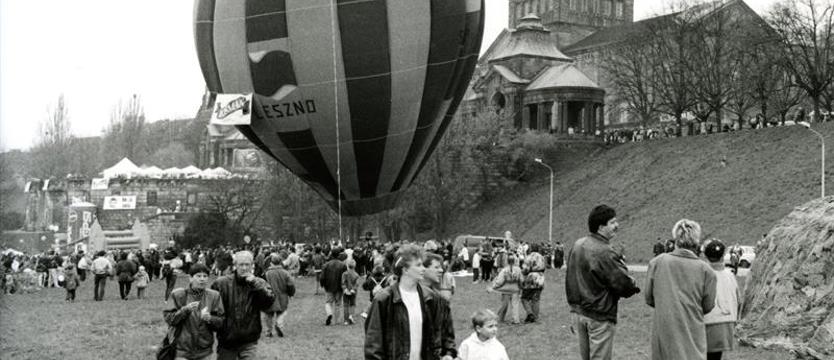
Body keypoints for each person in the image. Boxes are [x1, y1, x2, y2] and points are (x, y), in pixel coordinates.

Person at [565, 205, 641, 360]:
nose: (617, 225)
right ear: (601, 227)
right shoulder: (604, 251)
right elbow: (623, 284)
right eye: (612, 222)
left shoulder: (578, 244)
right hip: (598, 316)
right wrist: (632, 282)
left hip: (578, 313)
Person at [364, 244, 456, 360]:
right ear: (405, 269)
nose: (423, 269)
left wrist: (448, 354)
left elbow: (446, 334)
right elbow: (373, 344)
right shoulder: (383, 300)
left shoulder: (431, 298)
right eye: (418, 265)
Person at [645, 219, 717, 360]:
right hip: (693, 333)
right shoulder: (706, 271)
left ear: (675, 238)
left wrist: (667, 304)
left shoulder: (658, 262)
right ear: (696, 241)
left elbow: (649, 298)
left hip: (665, 333)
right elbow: (708, 306)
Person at [211, 251, 275, 359]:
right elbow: (212, 309)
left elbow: (268, 303)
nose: (244, 268)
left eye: (247, 264)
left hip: (249, 340)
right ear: (235, 265)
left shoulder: (259, 283)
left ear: (252, 265)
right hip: (227, 340)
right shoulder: (221, 283)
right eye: (241, 264)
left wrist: (255, 284)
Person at [164, 263, 225, 360]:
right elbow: (169, 319)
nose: (202, 279)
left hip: (204, 350)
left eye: (205, 276)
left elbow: (221, 322)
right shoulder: (178, 294)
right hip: (181, 350)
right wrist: (185, 310)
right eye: (198, 276)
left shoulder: (214, 296)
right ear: (190, 278)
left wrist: (210, 319)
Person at [702, 239, 740, 360]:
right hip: (727, 324)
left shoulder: (702, 275)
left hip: (708, 324)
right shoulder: (730, 275)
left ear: (705, 256)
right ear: (723, 256)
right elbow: (738, 300)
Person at [264, 254, 295, 338]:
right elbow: (290, 284)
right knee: (281, 312)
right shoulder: (285, 273)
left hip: (269, 296)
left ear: (271, 263)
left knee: (268, 314)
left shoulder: (267, 273)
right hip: (282, 296)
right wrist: (291, 293)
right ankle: (279, 324)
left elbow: (262, 285)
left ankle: (268, 331)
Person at [490, 254, 522, 324]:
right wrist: (521, 287)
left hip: (506, 290)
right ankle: (516, 320)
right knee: (515, 305)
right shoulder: (518, 269)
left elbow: (499, 281)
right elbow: (521, 280)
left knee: (504, 305)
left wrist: (494, 287)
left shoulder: (504, 270)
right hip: (515, 289)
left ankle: (500, 318)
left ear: (507, 261)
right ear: (514, 261)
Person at [320, 249, 347, 326]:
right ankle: (337, 321)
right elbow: (345, 277)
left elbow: (322, 277)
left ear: (331, 254)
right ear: (339, 255)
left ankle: (329, 314)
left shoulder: (326, 265)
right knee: (338, 303)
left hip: (328, 286)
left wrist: (322, 284)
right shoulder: (343, 265)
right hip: (339, 286)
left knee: (328, 302)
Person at [521, 249, 545, 323]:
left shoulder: (528, 257)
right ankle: (535, 317)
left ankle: (530, 313)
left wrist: (523, 273)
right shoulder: (541, 257)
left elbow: (525, 269)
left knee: (524, 298)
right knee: (536, 299)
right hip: (540, 278)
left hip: (531, 278)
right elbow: (544, 268)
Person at [341, 259, 360, 325]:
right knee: (352, 304)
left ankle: (346, 320)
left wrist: (345, 289)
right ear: (355, 266)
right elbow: (357, 284)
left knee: (345, 305)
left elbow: (343, 283)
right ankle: (351, 316)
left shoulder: (344, 274)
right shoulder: (356, 274)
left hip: (345, 292)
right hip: (353, 292)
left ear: (347, 266)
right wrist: (353, 289)